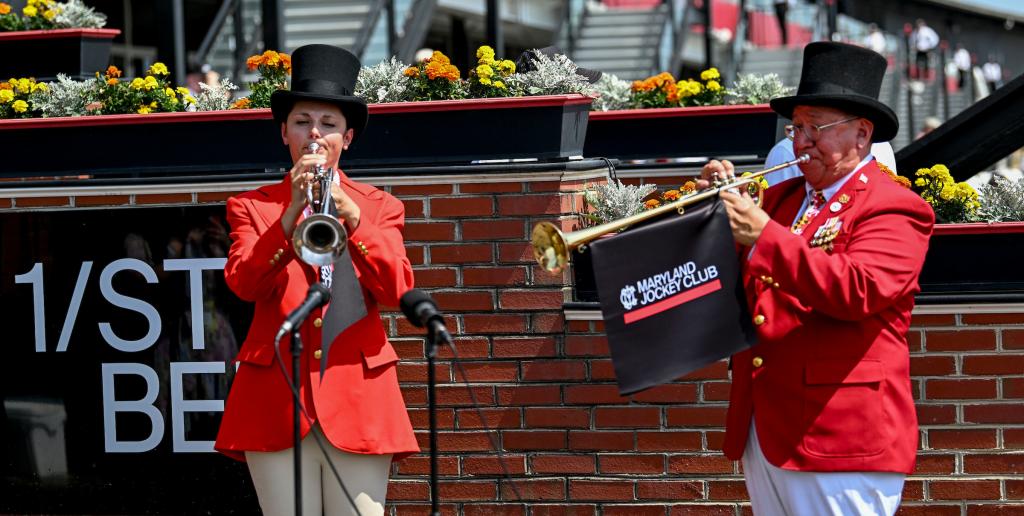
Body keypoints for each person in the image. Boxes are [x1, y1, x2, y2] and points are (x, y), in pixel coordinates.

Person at [700, 42, 933, 515]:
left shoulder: (894, 205)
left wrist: (763, 235)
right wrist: (714, 211)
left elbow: (857, 289)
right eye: (797, 127)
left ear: (862, 135)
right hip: (768, 426)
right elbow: (741, 281)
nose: (800, 141)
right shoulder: (782, 198)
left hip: (840, 433)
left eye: (815, 128)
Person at [214, 44, 418, 516]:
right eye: (303, 121)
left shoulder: (379, 206)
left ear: (347, 138)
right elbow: (244, 284)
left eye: (328, 125)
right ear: (284, 131)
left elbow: (395, 291)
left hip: (358, 395)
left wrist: (354, 221)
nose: (314, 135)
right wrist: (288, 218)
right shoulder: (253, 206)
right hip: (275, 399)